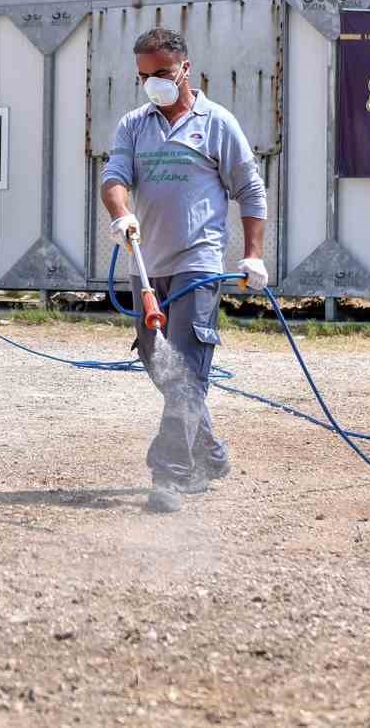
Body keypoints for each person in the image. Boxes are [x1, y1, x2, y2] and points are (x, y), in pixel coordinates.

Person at [101, 28, 268, 514]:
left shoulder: (217, 123)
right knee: (162, 366)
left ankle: (170, 474)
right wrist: (121, 213)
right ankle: (209, 452)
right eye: (143, 76)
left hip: (198, 265)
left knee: (187, 371)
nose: (152, 83)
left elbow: (250, 191)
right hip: (146, 265)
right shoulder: (134, 125)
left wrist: (253, 254)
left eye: (162, 73)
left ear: (185, 69)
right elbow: (114, 177)